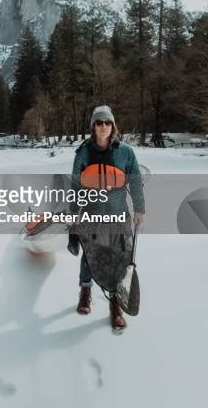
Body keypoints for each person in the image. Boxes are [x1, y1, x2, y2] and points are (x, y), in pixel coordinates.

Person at [69, 105, 145, 332]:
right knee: (90, 257)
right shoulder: (83, 153)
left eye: (107, 123)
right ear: (93, 126)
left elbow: (135, 181)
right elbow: (75, 186)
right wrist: (74, 213)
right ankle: (85, 291)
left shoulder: (126, 153)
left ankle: (116, 305)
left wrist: (140, 209)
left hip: (118, 216)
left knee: (118, 259)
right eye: (99, 123)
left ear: (113, 126)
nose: (103, 127)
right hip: (91, 216)